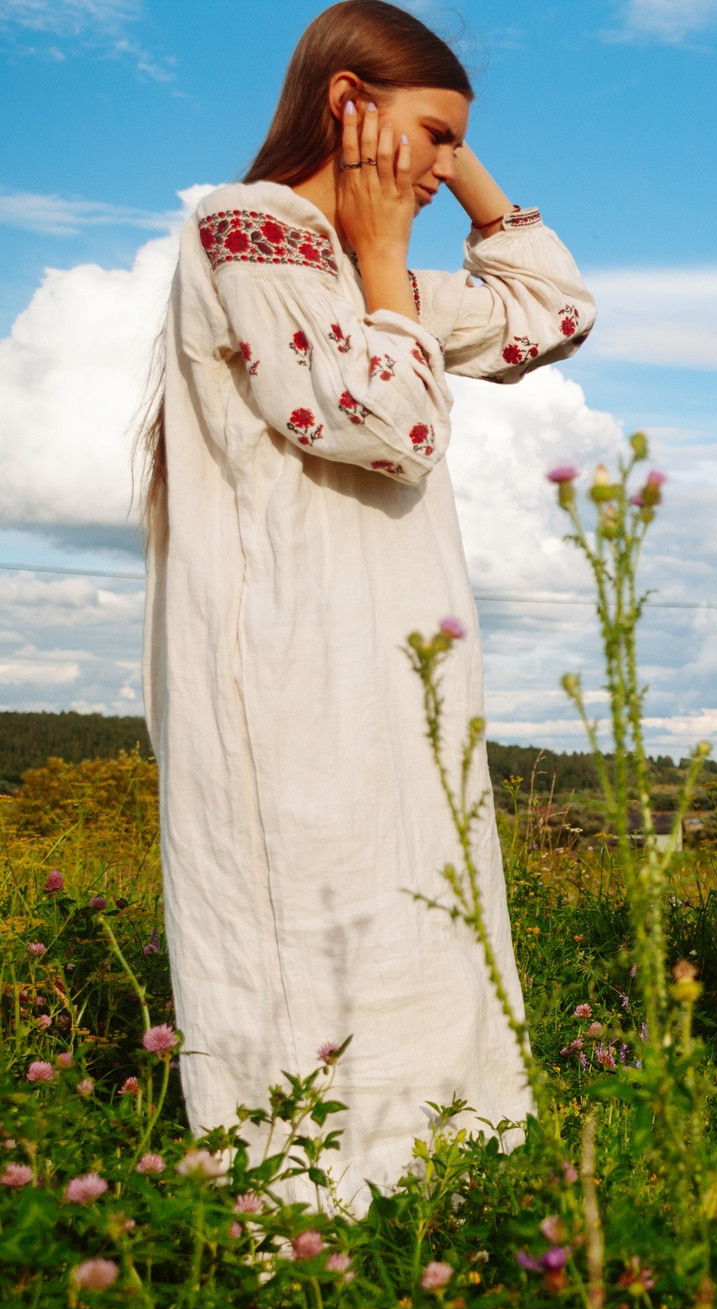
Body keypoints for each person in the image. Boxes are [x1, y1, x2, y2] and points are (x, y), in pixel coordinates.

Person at [138, 0, 595, 1204]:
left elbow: (555, 312)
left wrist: (446, 161)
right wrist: (390, 252)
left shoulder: (343, 262)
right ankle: (306, 1220)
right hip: (293, 658)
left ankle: (438, 1187)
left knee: (413, 899)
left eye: (455, 148)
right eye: (435, 138)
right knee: (310, 916)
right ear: (348, 106)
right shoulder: (253, 236)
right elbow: (389, 428)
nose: (446, 173)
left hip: (381, 660)